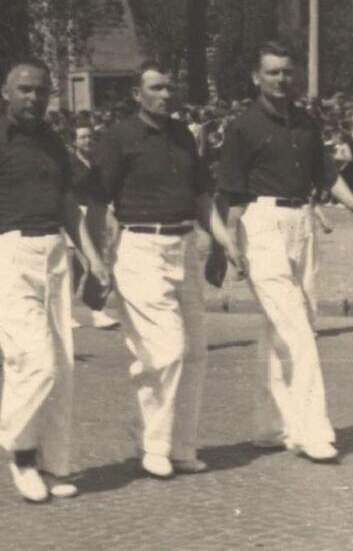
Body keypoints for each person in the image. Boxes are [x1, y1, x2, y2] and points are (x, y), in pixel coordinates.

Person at [0, 59, 108, 503]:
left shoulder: (54, 143)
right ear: (5, 92)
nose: (33, 98)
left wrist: (95, 260)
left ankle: (52, 463)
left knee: (62, 365)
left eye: (40, 90)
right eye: (24, 89)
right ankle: (19, 453)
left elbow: (68, 206)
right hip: (9, 254)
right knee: (35, 361)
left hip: (53, 253)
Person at [217, 42, 353, 463]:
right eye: (272, 72)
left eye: (287, 72)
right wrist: (227, 246)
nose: (281, 79)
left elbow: (325, 174)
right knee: (297, 330)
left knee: (286, 325)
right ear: (256, 77)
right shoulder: (242, 127)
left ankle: (270, 426)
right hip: (262, 223)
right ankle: (313, 430)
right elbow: (229, 193)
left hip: (302, 223)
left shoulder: (307, 122)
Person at [83, 62, 244, 479]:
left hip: (184, 246)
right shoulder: (118, 138)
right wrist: (95, 261)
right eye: (156, 88)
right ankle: (153, 444)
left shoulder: (184, 136)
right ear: (137, 94)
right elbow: (97, 203)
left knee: (195, 353)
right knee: (165, 351)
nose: (166, 95)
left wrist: (227, 243)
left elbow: (202, 198)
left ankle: (181, 447)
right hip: (140, 249)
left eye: (170, 87)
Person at [68, 124, 119, 331]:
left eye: (90, 137)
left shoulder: (98, 163)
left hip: (97, 211)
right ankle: (67, 312)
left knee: (99, 257)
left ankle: (96, 308)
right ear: (74, 142)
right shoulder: (70, 163)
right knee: (79, 264)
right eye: (82, 137)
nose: (88, 141)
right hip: (77, 212)